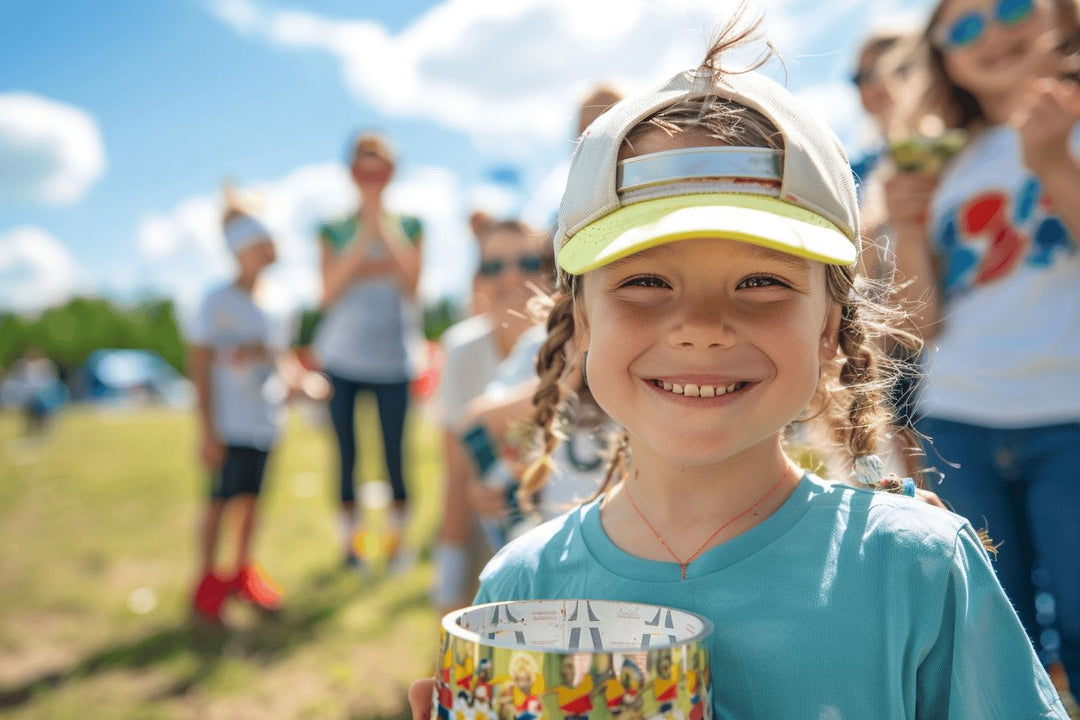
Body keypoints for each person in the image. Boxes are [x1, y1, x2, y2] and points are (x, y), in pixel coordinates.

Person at [411, 10, 1070, 718]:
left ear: (830, 325)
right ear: (579, 324)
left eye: (761, 283)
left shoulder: (915, 566)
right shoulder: (524, 587)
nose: (700, 327)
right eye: (644, 282)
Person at [884, 0, 1080, 695]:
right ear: (943, 57)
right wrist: (907, 229)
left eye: (1012, 7)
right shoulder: (944, 159)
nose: (993, 32)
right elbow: (918, 327)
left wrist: (1053, 162)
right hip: (959, 417)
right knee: (991, 637)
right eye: (964, 27)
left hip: (1069, 415)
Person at [314, 132, 423, 572]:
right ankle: (353, 546)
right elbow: (328, 291)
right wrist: (365, 235)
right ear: (351, 172)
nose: (373, 176)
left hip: (394, 359)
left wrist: (381, 228)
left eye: (381, 167)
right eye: (365, 167)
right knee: (347, 456)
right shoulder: (331, 228)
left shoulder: (412, 226)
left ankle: (396, 544)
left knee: (397, 455)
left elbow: (412, 285)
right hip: (340, 360)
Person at [432, 218, 553, 614]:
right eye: (494, 266)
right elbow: (456, 473)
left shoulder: (578, 346)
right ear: (479, 280)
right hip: (495, 525)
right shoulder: (463, 349)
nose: (511, 276)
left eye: (526, 262)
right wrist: (447, 589)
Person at [188, 189, 287, 625]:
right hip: (229, 424)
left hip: (264, 421)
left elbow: (279, 359)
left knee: (251, 500)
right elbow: (200, 364)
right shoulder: (216, 301)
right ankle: (208, 581)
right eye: (261, 243)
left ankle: (242, 572)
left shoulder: (277, 301)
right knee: (220, 500)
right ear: (241, 250)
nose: (271, 249)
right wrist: (207, 429)